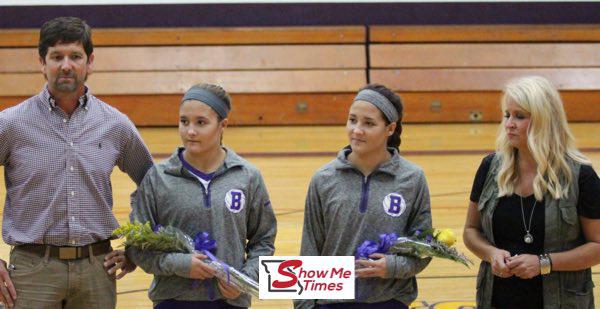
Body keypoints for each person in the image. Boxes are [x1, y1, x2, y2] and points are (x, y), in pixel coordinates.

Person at [0, 16, 153, 308]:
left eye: (75, 56)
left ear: (90, 61)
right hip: (32, 272)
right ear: (42, 62)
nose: (66, 65)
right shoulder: (11, 124)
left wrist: (136, 247)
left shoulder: (115, 125)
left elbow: (154, 186)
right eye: (56, 56)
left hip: (97, 269)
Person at [127, 83, 277, 309]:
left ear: (222, 125)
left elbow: (263, 241)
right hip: (173, 302)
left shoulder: (247, 177)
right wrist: (179, 264)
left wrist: (245, 279)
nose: (190, 131)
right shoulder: (158, 178)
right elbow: (137, 246)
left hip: (230, 302)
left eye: (201, 122)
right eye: (184, 121)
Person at [463, 76, 600, 308]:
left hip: (562, 301)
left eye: (520, 116)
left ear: (544, 120)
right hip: (497, 299)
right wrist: (490, 254)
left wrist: (544, 263)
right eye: (507, 115)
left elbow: (597, 247)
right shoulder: (490, 167)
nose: (509, 124)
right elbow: (470, 230)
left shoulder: (581, 176)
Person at [294, 84, 432, 309]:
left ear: (390, 128)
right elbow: (310, 247)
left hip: (389, 301)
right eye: (352, 120)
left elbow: (424, 248)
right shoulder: (324, 178)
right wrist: (304, 305)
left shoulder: (412, 178)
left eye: (369, 123)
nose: (357, 130)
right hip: (331, 301)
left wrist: (393, 266)